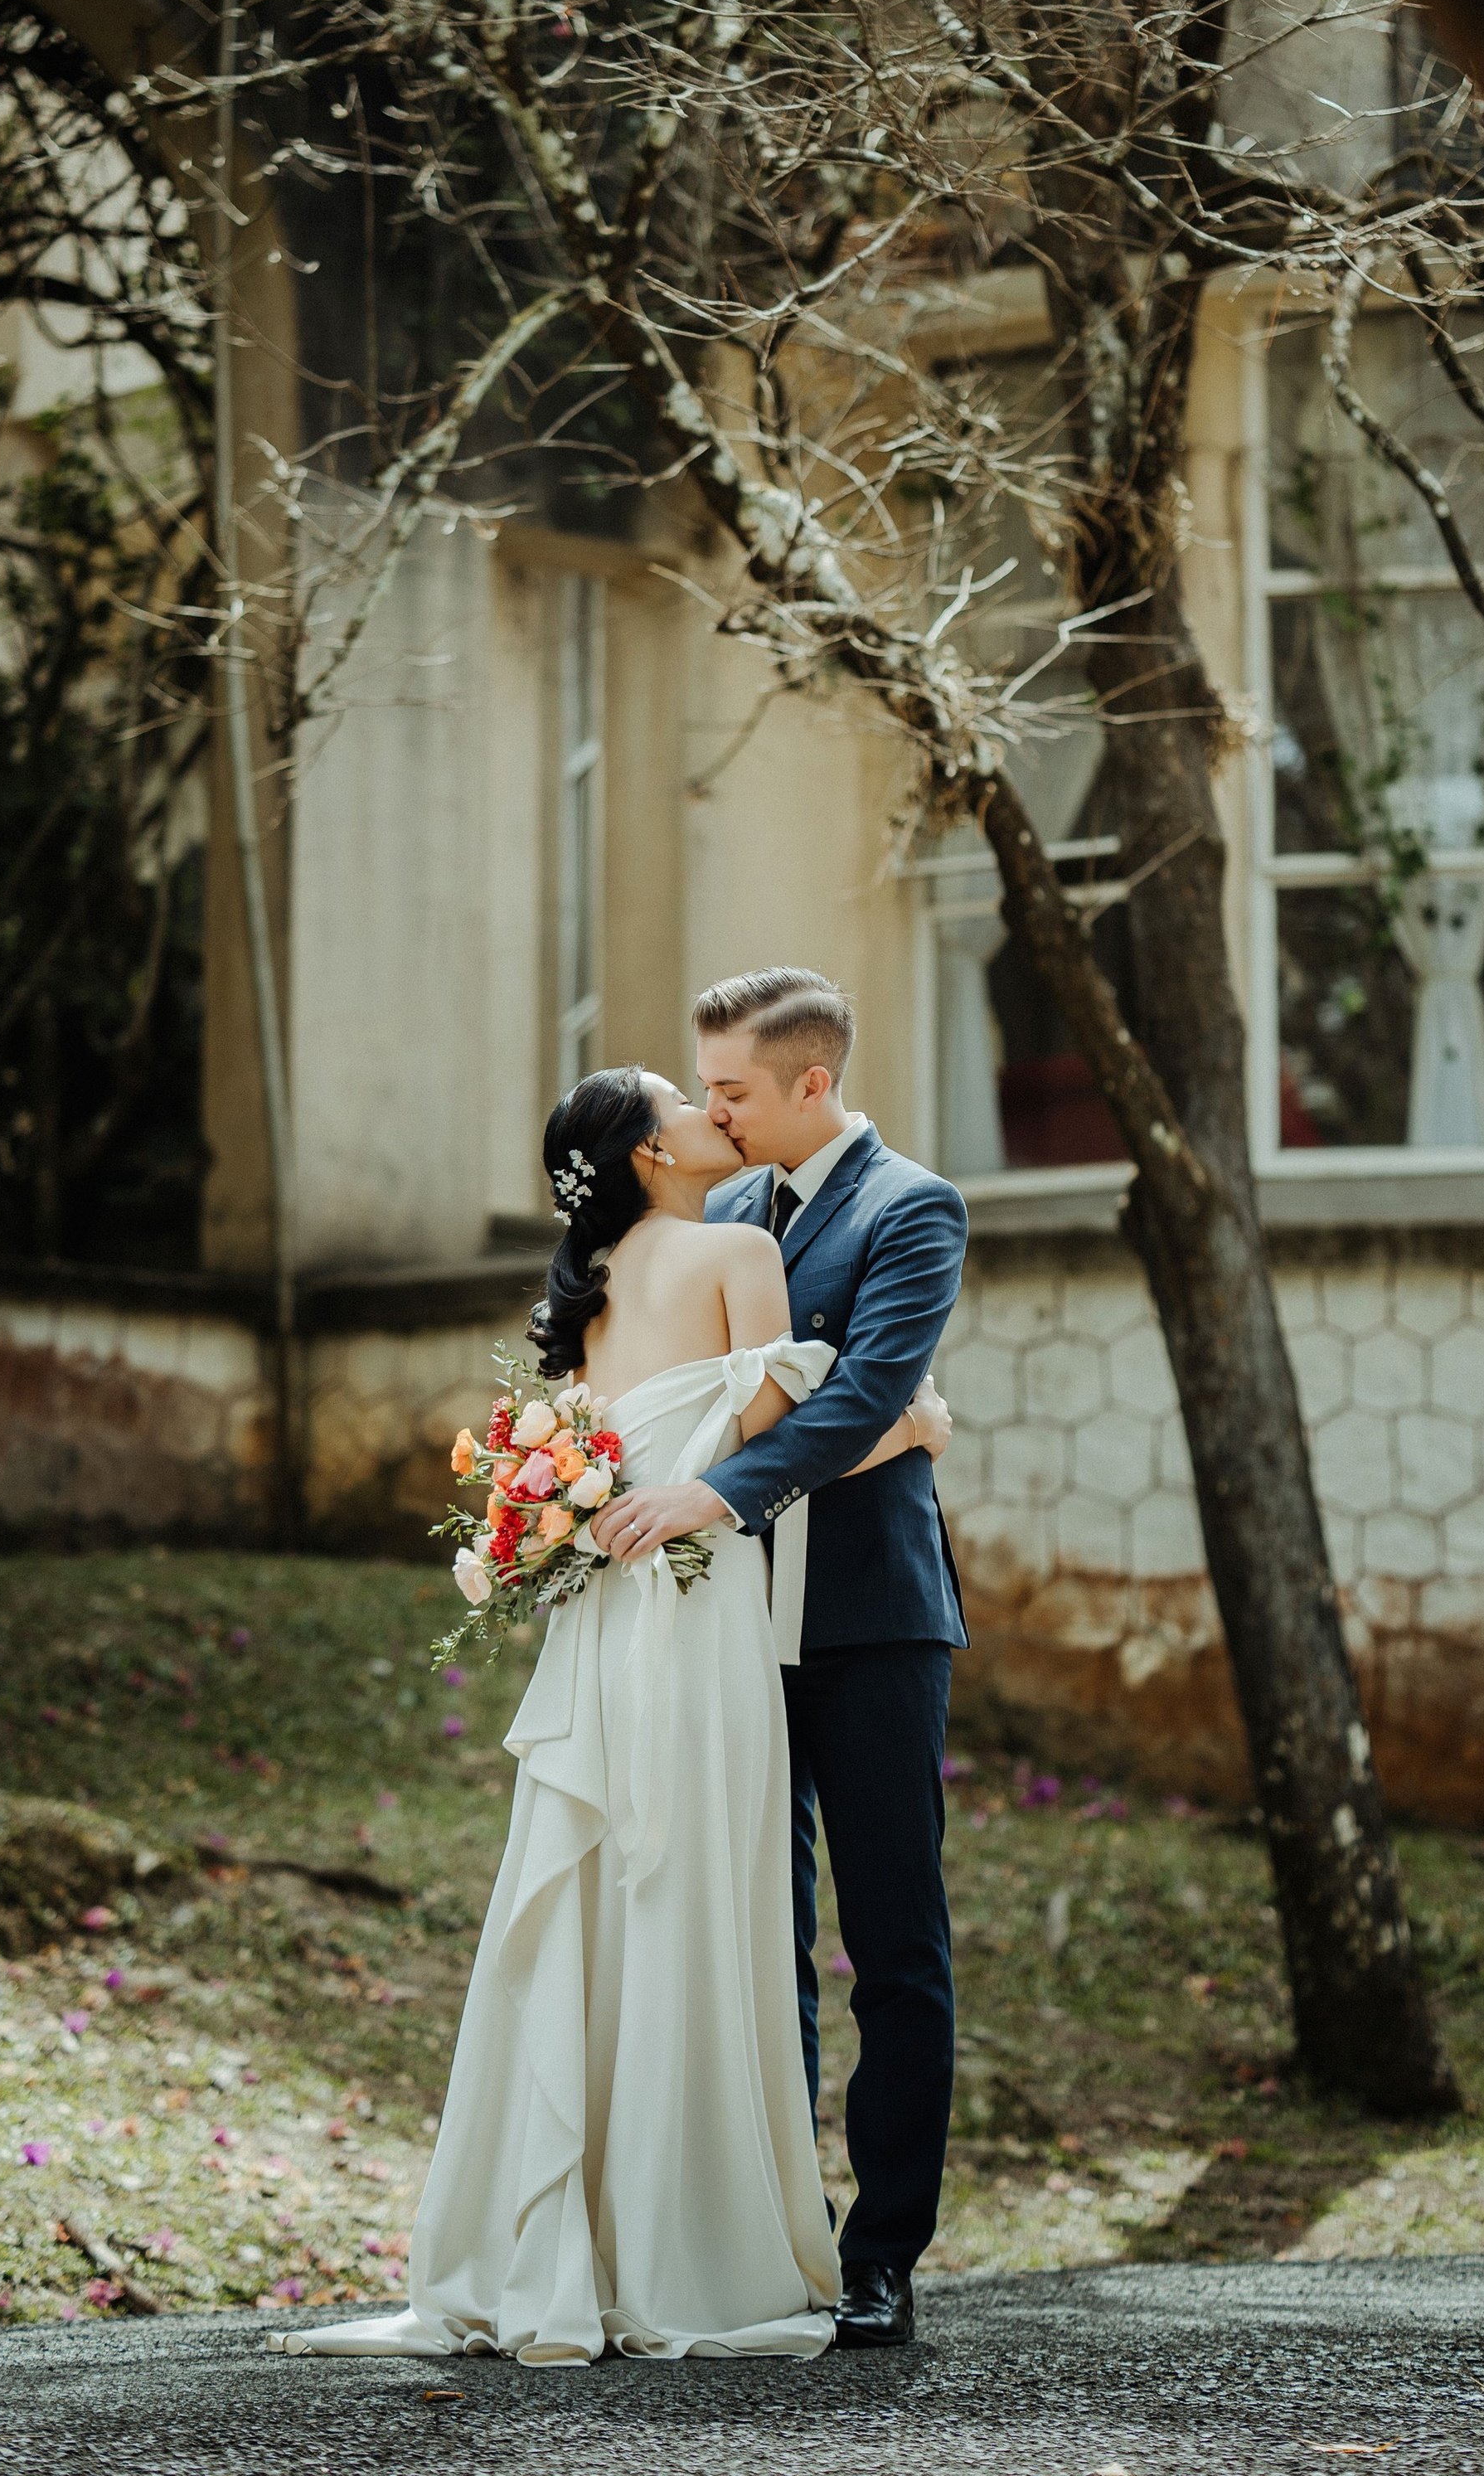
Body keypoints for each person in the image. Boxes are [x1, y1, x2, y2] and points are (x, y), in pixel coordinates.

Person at [269, 1063, 950, 2366]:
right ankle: (687, 2240)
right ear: (649, 1152)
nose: (712, 1115)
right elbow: (779, 1438)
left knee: (598, 1903)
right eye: (685, 1104)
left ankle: (565, 2232)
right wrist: (915, 1424)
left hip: (606, 1626)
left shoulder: (586, 1300)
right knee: (699, 1898)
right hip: (698, 1624)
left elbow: (626, 1454)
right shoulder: (738, 1244)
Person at [590, 968, 968, 2352]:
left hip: (871, 1622)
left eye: (735, 1091)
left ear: (814, 1082)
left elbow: (870, 1387)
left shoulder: (915, 1207)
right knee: (755, 1938)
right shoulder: (719, 1214)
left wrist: (716, 1490)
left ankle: (882, 2258)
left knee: (893, 1946)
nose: (714, 1113)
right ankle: (777, 2236)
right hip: (726, 1629)